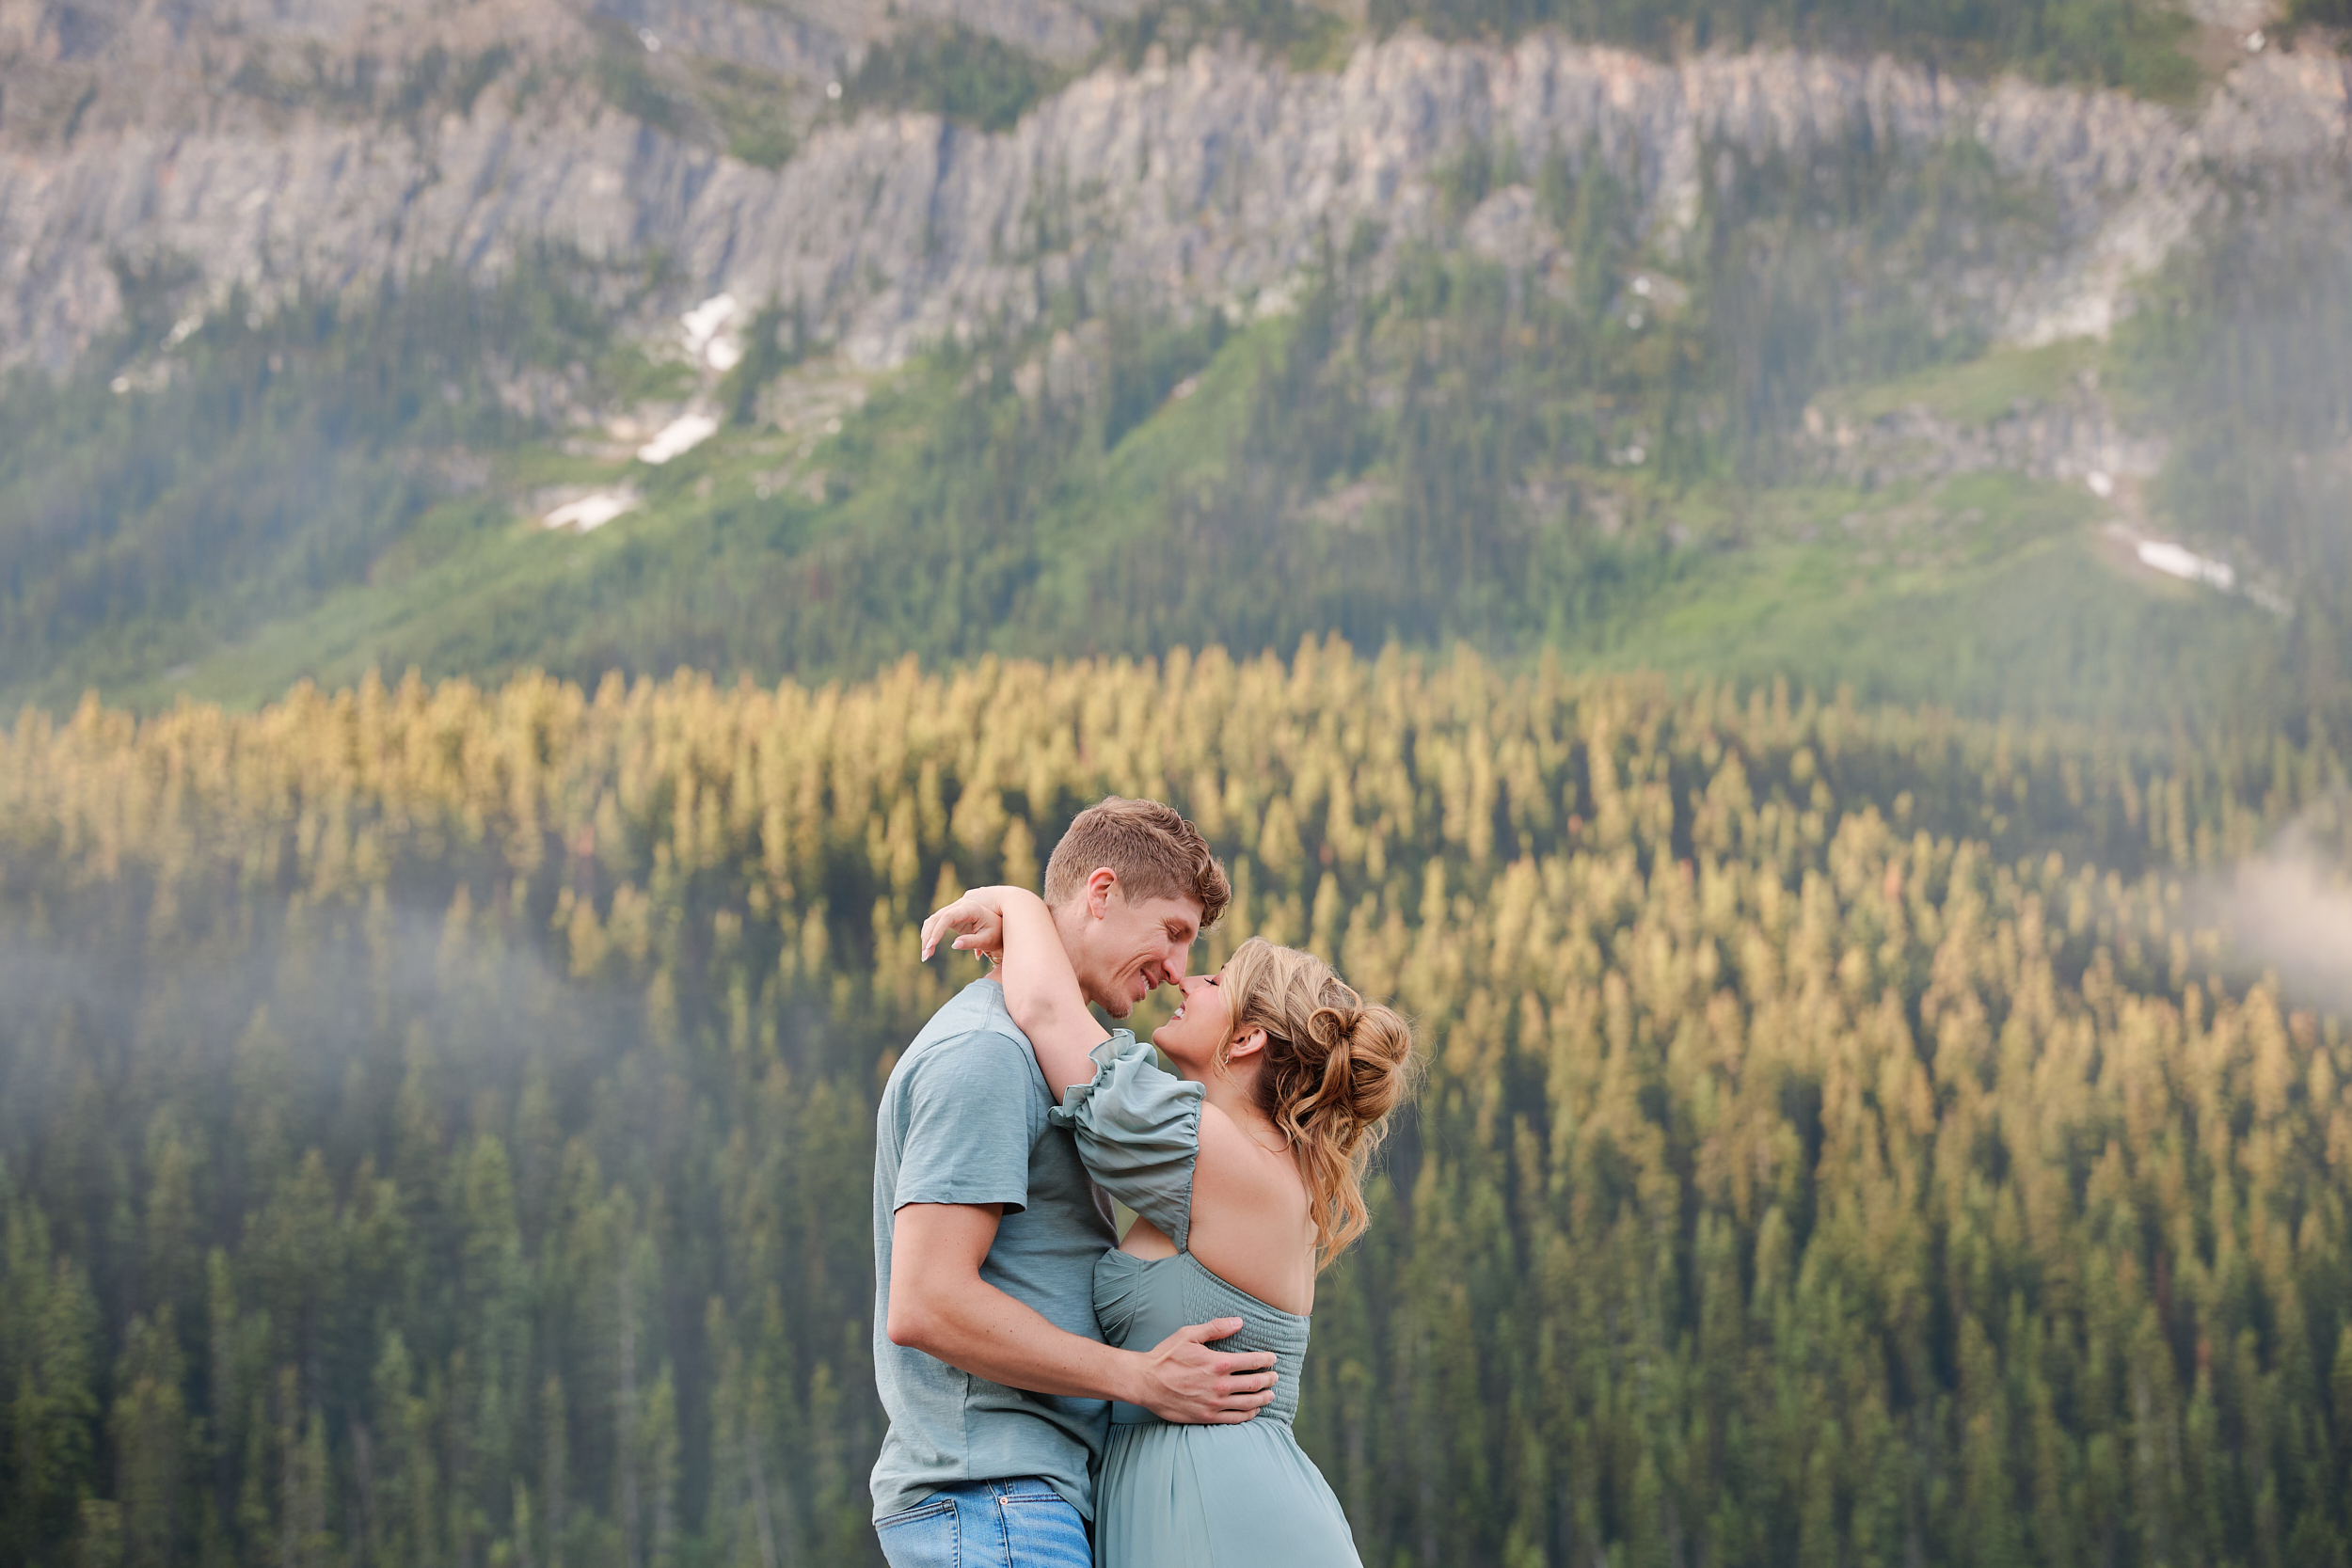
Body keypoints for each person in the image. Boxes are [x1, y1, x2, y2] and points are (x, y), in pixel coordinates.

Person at [920, 879, 1417, 1567]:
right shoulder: (1257, 1169)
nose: (1186, 978)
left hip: (1222, 1518)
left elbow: (1046, 1011)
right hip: (1192, 1505)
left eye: (1215, 977)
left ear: (1246, 1037)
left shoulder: (1230, 1161)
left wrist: (1021, 903)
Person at [870, 798, 1283, 1568]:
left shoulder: (1037, 1056)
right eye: (1173, 932)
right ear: (1100, 894)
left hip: (1022, 1500)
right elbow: (926, 1300)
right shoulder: (988, 1053)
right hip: (991, 1498)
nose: (1176, 969)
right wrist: (1141, 1378)